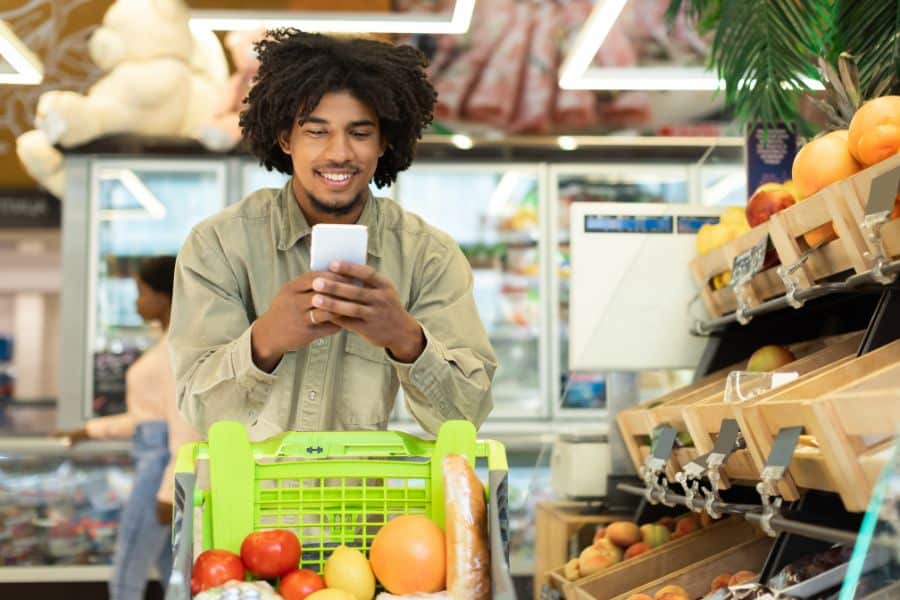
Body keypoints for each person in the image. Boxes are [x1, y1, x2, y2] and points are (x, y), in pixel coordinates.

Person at [169, 30, 496, 440]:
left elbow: (467, 417)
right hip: (244, 503)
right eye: (317, 131)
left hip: (362, 502)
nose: (339, 152)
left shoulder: (428, 255)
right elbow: (201, 414)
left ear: (384, 142)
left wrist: (405, 338)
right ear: (286, 138)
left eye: (359, 133)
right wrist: (265, 340)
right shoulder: (218, 245)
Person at [59, 256, 200, 600]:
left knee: (128, 570)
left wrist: (170, 493)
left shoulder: (175, 350)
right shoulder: (170, 345)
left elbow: (183, 428)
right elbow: (144, 419)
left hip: (159, 472)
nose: (136, 302)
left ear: (164, 298)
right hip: (157, 465)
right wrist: (90, 430)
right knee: (173, 573)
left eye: (141, 292)